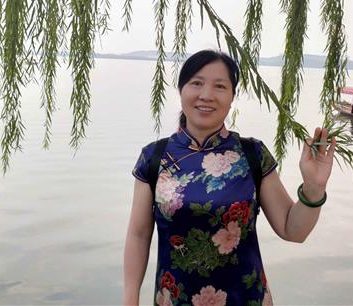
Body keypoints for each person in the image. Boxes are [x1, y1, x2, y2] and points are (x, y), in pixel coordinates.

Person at [123, 50, 335, 306]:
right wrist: (130, 299)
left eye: (220, 86)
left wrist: (314, 187)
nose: (206, 95)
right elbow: (138, 235)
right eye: (197, 83)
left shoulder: (252, 154)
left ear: (232, 97)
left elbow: (293, 231)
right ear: (181, 90)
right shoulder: (155, 157)